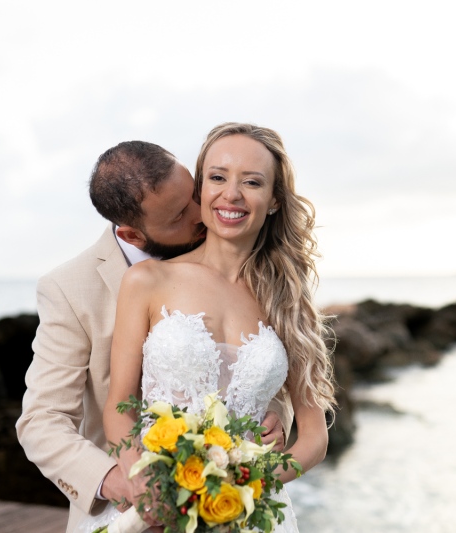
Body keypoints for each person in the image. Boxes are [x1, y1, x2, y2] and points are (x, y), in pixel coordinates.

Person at [16, 141, 292, 533]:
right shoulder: (69, 288)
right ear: (133, 234)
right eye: (180, 214)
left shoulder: (244, 261)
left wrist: (275, 416)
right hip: (131, 509)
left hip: (229, 502)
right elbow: (42, 420)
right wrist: (124, 480)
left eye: (195, 192)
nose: (203, 212)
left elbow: (262, 363)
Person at [103, 123, 336, 532]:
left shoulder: (287, 301)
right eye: (217, 177)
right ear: (200, 190)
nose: (232, 194)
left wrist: (242, 484)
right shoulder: (146, 281)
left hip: (249, 511)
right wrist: (147, 482)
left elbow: (314, 437)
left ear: (275, 199)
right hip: (162, 507)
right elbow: (119, 406)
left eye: (252, 181)